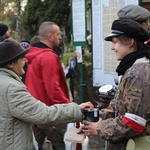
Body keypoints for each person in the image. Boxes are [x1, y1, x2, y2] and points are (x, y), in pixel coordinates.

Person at [0, 38, 93, 150]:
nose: (25, 61)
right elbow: (45, 114)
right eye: (22, 58)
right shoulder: (12, 88)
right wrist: (77, 109)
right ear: (10, 63)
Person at [80, 19, 150, 150]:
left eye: (115, 42)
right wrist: (93, 118)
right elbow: (118, 106)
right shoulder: (133, 68)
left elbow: (134, 123)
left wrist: (100, 128)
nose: (112, 47)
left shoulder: (138, 72)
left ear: (131, 42)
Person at [25, 21, 73, 150]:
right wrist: (68, 107)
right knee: (60, 145)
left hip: (35, 111)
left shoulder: (34, 54)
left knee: (34, 145)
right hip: (50, 113)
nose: (60, 37)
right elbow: (53, 89)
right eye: (58, 34)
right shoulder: (48, 57)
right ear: (50, 37)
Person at [98, 4, 150, 110]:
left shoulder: (139, 68)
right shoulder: (129, 61)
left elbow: (135, 120)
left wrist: (100, 125)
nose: (112, 48)